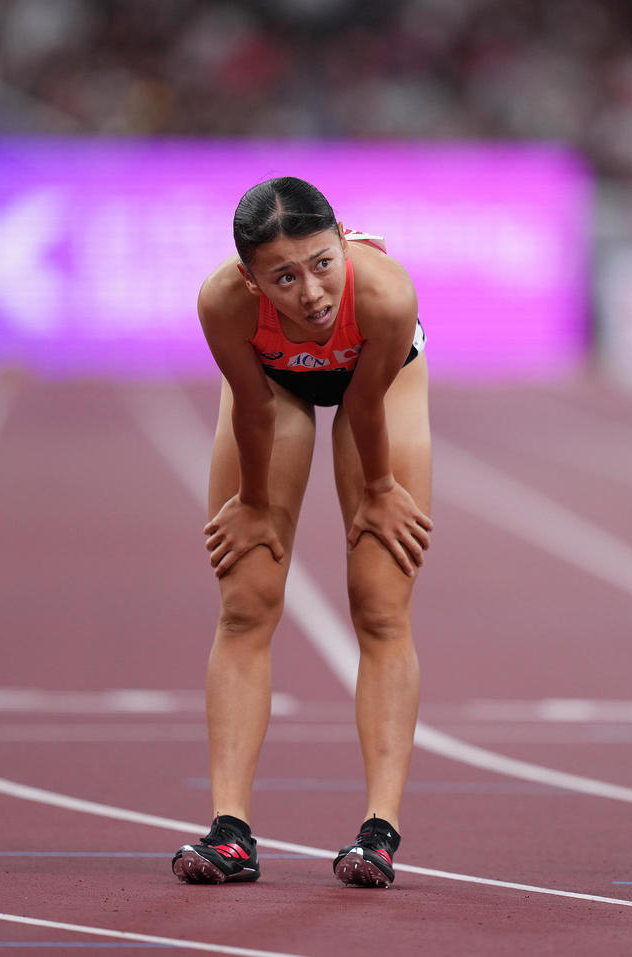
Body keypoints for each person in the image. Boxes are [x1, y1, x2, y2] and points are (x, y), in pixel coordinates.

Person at [171, 176, 432, 889]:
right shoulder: (222, 303)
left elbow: (366, 404)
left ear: (341, 240)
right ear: (252, 282)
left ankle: (379, 830)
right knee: (247, 598)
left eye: (322, 263)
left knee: (380, 600)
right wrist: (254, 502)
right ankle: (230, 831)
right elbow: (252, 408)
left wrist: (379, 492)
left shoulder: (383, 292)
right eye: (284, 277)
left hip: (379, 388)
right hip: (276, 386)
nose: (311, 293)